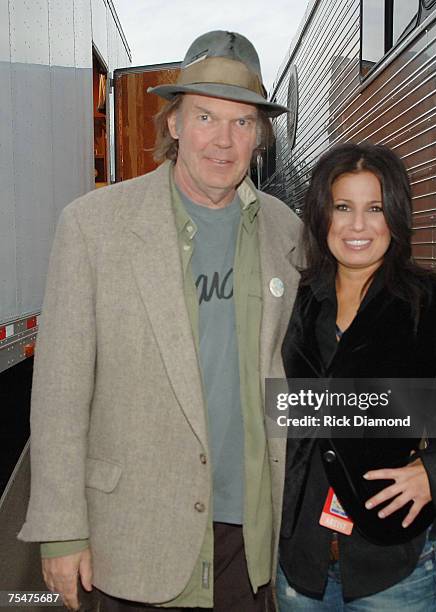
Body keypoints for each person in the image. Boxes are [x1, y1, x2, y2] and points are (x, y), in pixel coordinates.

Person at [18, 30, 302, 611]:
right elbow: (60, 391)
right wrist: (63, 530)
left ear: (260, 135)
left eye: (242, 122)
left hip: (250, 541)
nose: (223, 140)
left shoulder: (286, 232)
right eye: (205, 117)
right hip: (134, 536)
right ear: (173, 123)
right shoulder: (93, 226)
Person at [275, 142, 436, 611]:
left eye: (375, 208)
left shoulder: (424, 302)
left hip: (394, 566)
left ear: (396, 218)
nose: (358, 225)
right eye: (344, 207)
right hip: (300, 562)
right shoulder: (297, 300)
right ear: (323, 215)